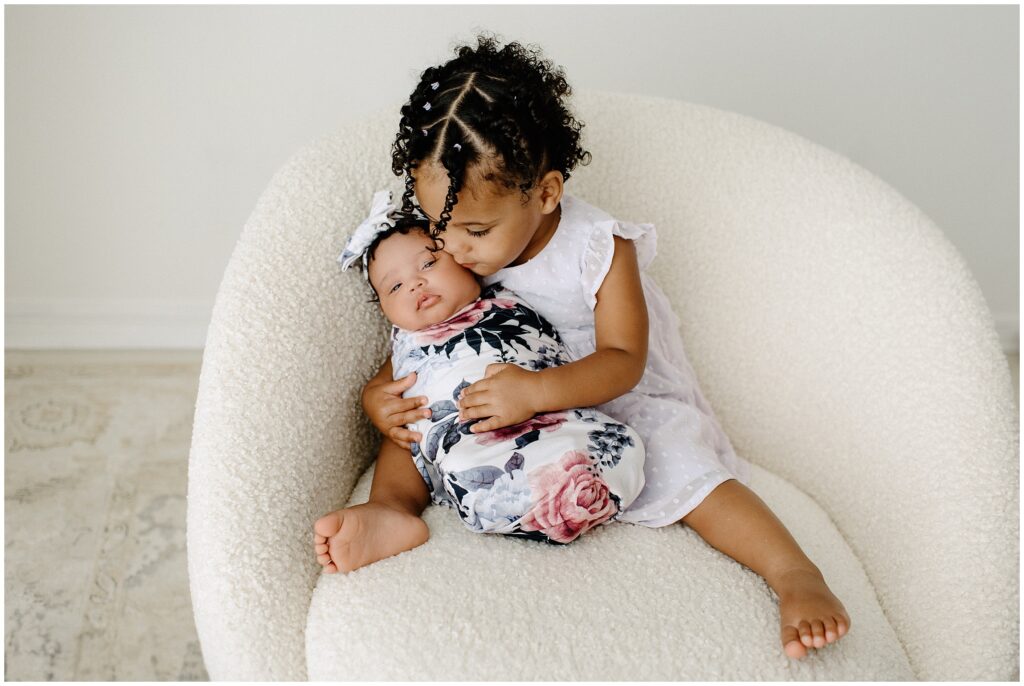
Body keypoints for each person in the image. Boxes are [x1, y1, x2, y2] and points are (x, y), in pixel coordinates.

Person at [317, 35, 849, 660]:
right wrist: (381, 392)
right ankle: (391, 512)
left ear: (544, 194)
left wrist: (537, 392)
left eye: (474, 231)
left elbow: (625, 359)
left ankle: (793, 573)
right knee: (414, 421)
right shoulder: (473, 246)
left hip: (608, 394)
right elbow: (429, 338)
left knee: (688, 468)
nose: (453, 251)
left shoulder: (599, 248)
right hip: (509, 404)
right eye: (439, 230)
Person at [317, 191, 646, 549]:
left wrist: (533, 391)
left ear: (462, 261)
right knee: (403, 434)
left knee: (579, 436)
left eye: (428, 264)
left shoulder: (505, 297)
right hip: (453, 444)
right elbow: (391, 379)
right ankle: (391, 509)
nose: (414, 284)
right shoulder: (405, 341)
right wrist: (374, 400)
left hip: (530, 412)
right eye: (394, 286)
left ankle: (567, 486)